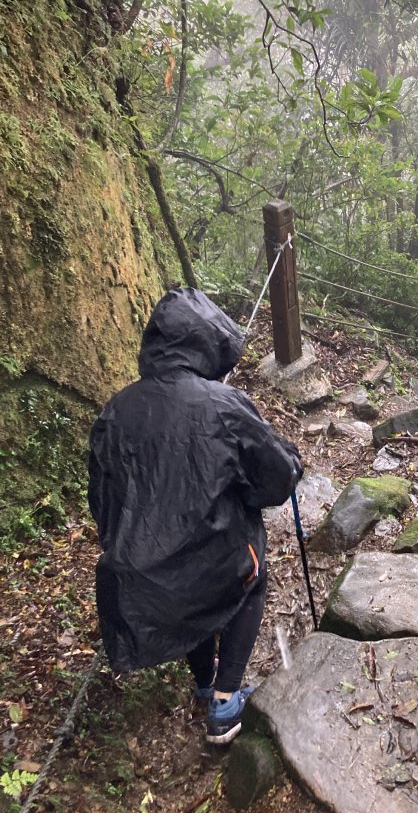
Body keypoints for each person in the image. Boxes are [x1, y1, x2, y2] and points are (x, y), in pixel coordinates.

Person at [88, 287, 302, 745]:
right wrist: (288, 462)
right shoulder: (225, 404)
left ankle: (205, 683)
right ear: (206, 344)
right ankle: (225, 701)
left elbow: (102, 503)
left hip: (141, 578)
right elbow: (276, 482)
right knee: (251, 575)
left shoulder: (115, 410)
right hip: (209, 567)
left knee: (192, 583)